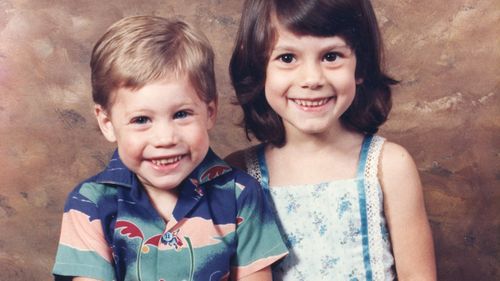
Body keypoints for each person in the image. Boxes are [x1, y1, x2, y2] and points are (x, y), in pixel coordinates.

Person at [52, 15, 287, 281]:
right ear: (107, 123)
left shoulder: (240, 194)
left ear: (210, 112)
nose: (165, 138)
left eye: (181, 114)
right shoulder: (89, 203)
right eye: (142, 120)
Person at [225, 0, 437, 280]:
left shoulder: (389, 166)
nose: (312, 79)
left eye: (331, 56)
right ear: (258, 67)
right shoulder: (238, 175)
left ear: (360, 66)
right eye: (287, 58)